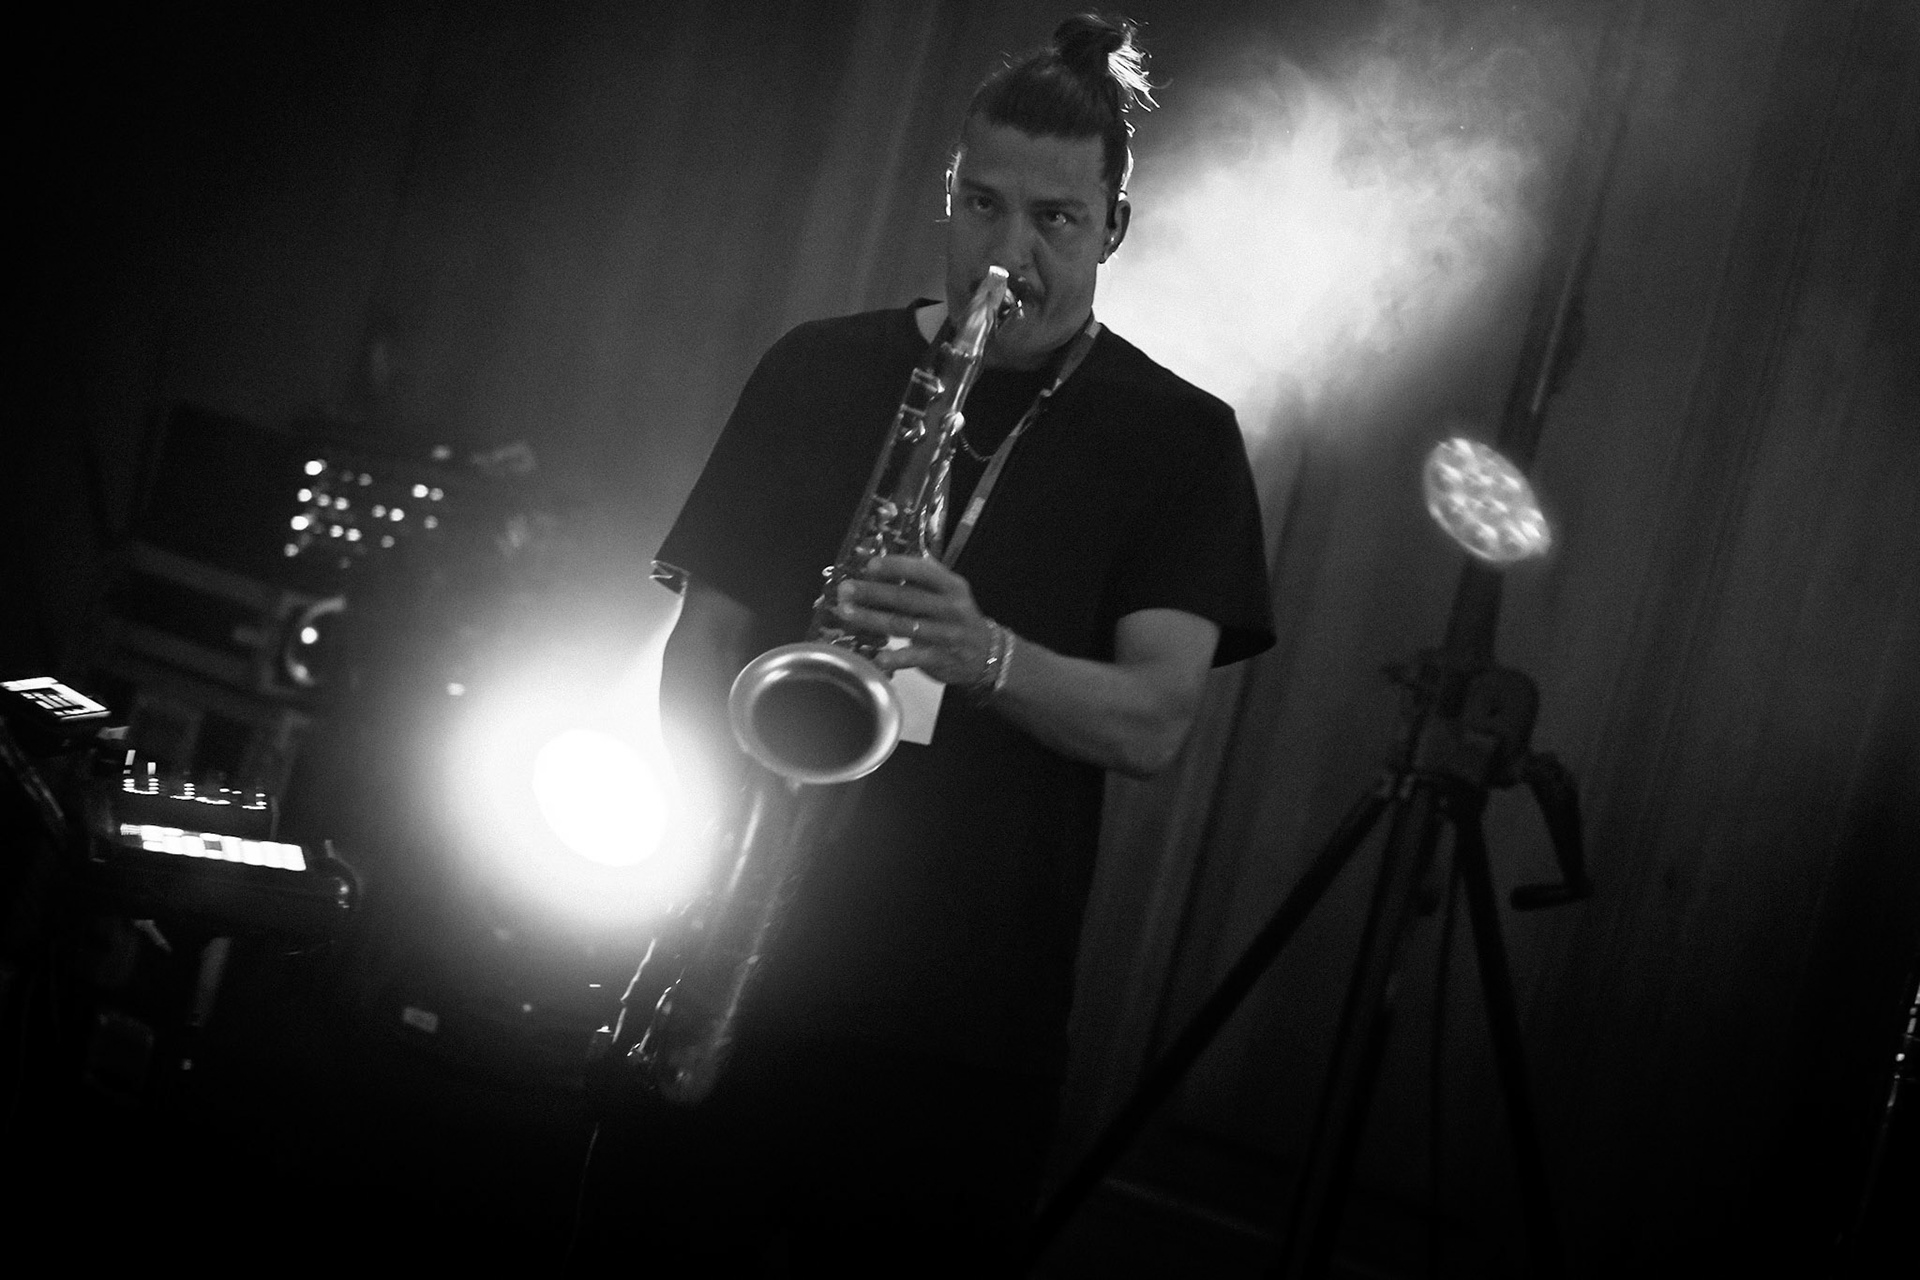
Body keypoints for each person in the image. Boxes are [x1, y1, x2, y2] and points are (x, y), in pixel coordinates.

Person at [576, 14, 1273, 1275]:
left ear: (1116, 226)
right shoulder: (819, 368)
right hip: (731, 950)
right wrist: (705, 851)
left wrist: (985, 652)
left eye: (1056, 220)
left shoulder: (1181, 441)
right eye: (984, 206)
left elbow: (1157, 720)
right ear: (947, 196)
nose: (1008, 255)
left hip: (960, 1030)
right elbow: (707, 643)